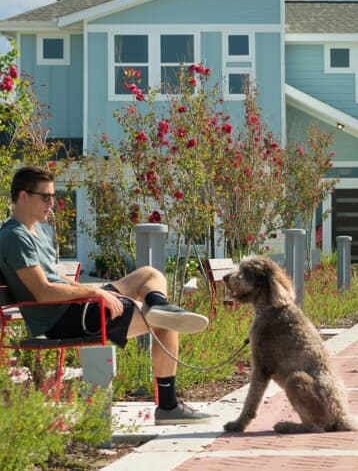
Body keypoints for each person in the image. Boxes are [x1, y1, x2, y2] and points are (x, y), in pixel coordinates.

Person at [0, 166, 214, 425]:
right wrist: (92, 292)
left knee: (149, 275)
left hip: (74, 305)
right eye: (46, 197)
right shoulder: (15, 236)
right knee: (164, 322)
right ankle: (168, 407)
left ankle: (159, 305)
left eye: (54, 196)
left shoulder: (37, 231)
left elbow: (57, 278)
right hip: (60, 318)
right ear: (23, 196)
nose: (52, 203)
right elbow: (44, 292)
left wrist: (97, 290)